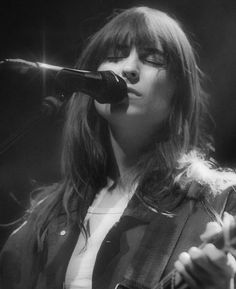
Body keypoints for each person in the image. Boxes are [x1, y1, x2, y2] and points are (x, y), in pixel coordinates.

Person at [1, 5, 236, 289]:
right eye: (114, 56)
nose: (128, 68)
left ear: (179, 93)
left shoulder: (218, 202)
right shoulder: (44, 220)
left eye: (153, 59)